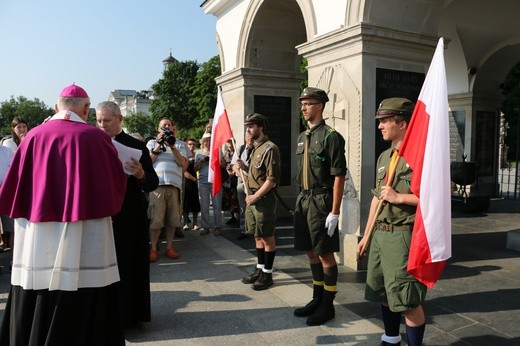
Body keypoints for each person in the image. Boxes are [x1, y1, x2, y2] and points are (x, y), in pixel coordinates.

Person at [0, 84, 127, 345]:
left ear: (56, 107)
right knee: (85, 278)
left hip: (39, 228)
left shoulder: (33, 136)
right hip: (85, 227)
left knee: (39, 282)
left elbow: (15, 185)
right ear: (86, 109)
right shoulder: (95, 137)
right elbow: (115, 181)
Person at [356, 98, 426, 346]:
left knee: (407, 300)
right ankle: (391, 338)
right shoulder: (386, 156)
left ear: (403, 123)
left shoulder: (420, 156)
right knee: (384, 292)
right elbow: (377, 199)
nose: (380, 126)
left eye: (385, 121)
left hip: (402, 235)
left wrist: (399, 197)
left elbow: (435, 198)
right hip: (381, 234)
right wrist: (366, 236)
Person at [96, 101, 159, 330]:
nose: (102, 125)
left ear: (120, 119)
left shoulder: (136, 146)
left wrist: (141, 173)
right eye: (99, 120)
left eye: (107, 120)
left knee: (129, 264)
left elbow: (153, 183)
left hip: (129, 214)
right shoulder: (93, 143)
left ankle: (130, 316)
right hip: (101, 215)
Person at [293, 87, 347, 326]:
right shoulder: (302, 136)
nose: (303, 107)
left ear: (320, 106)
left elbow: (339, 176)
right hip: (304, 200)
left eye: (308, 103)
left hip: (321, 200)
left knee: (325, 254)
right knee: (310, 251)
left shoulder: (330, 136)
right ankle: (316, 298)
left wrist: (335, 211)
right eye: (302, 103)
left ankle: (328, 304)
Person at [239, 113, 281, 291]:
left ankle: (268, 274)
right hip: (252, 198)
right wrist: (244, 168)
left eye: (251, 126)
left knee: (267, 236)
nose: (248, 130)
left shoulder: (270, 148)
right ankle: (260, 269)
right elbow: (256, 175)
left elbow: (271, 180)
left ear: (261, 127)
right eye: (247, 126)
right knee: (257, 235)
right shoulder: (256, 148)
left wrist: (255, 197)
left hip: (263, 199)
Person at [147, 118, 189, 262]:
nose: (167, 127)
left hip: (174, 186)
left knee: (172, 220)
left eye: (169, 125)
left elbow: (182, 163)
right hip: (157, 187)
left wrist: (172, 146)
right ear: (158, 129)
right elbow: (148, 161)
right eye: (163, 125)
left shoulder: (180, 143)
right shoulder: (151, 143)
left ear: (173, 127)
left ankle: (169, 247)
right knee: (156, 220)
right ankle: (153, 249)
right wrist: (159, 145)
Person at [194, 132, 224, 236]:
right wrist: (201, 160)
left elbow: (223, 165)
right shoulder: (198, 153)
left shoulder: (217, 151)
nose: (208, 142)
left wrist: (216, 160)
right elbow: (195, 168)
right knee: (204, 205)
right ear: (202, 142)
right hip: (203, 182)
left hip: (215, 181)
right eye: (206, 140)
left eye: (210, 140)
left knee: (217, 205)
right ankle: (205, 226)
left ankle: (217, 227)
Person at [232, 131, 254, 240]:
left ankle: (254, 229)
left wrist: (245, 169)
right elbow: (234, 167)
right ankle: (244, 229)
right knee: (243, 207)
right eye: (247, 134)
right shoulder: (240, 149)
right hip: (242, 181)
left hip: (254, 181)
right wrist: (242, 175)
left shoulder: (258, 149)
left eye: (250, 134)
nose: (249, 137)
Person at [182, 137, 201, 231]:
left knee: (195, 202)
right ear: (186, 145)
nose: (192, 146)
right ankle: (185, 222)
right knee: (185, 202)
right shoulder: (183, 155)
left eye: (193, 144)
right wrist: (194, 178)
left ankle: (195, 222)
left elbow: (197, 169)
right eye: (190, 144)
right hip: (186, 181)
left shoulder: (197, 155)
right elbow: (183, 171)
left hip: (194, 182)